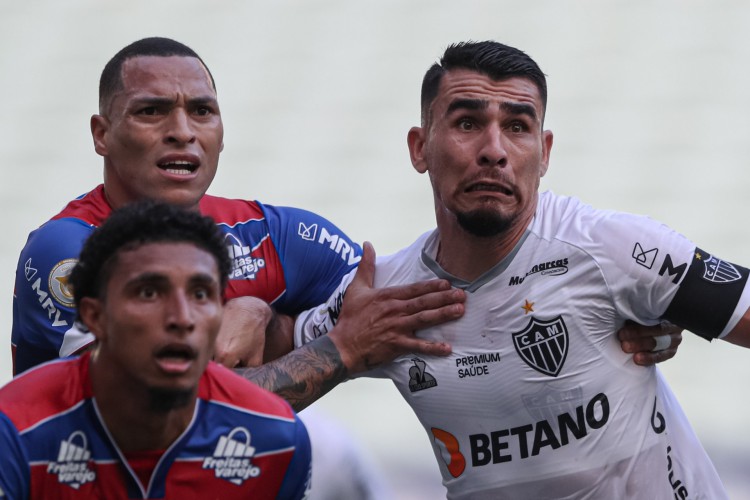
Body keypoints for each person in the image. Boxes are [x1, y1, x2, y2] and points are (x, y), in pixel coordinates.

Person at [292, 41, 750, 498]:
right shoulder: (387, 296)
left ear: (544, 152)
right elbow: (235, 397)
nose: (494, 150)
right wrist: (337, 347)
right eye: (467, 123)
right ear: (420, 148)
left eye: (517, 126)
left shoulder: (610, 249)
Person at [0, 200, 313, 499]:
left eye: (200, 294)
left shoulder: (277, 440)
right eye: (149, 293)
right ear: (94, 317)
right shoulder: (13, 429)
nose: (182, 318)